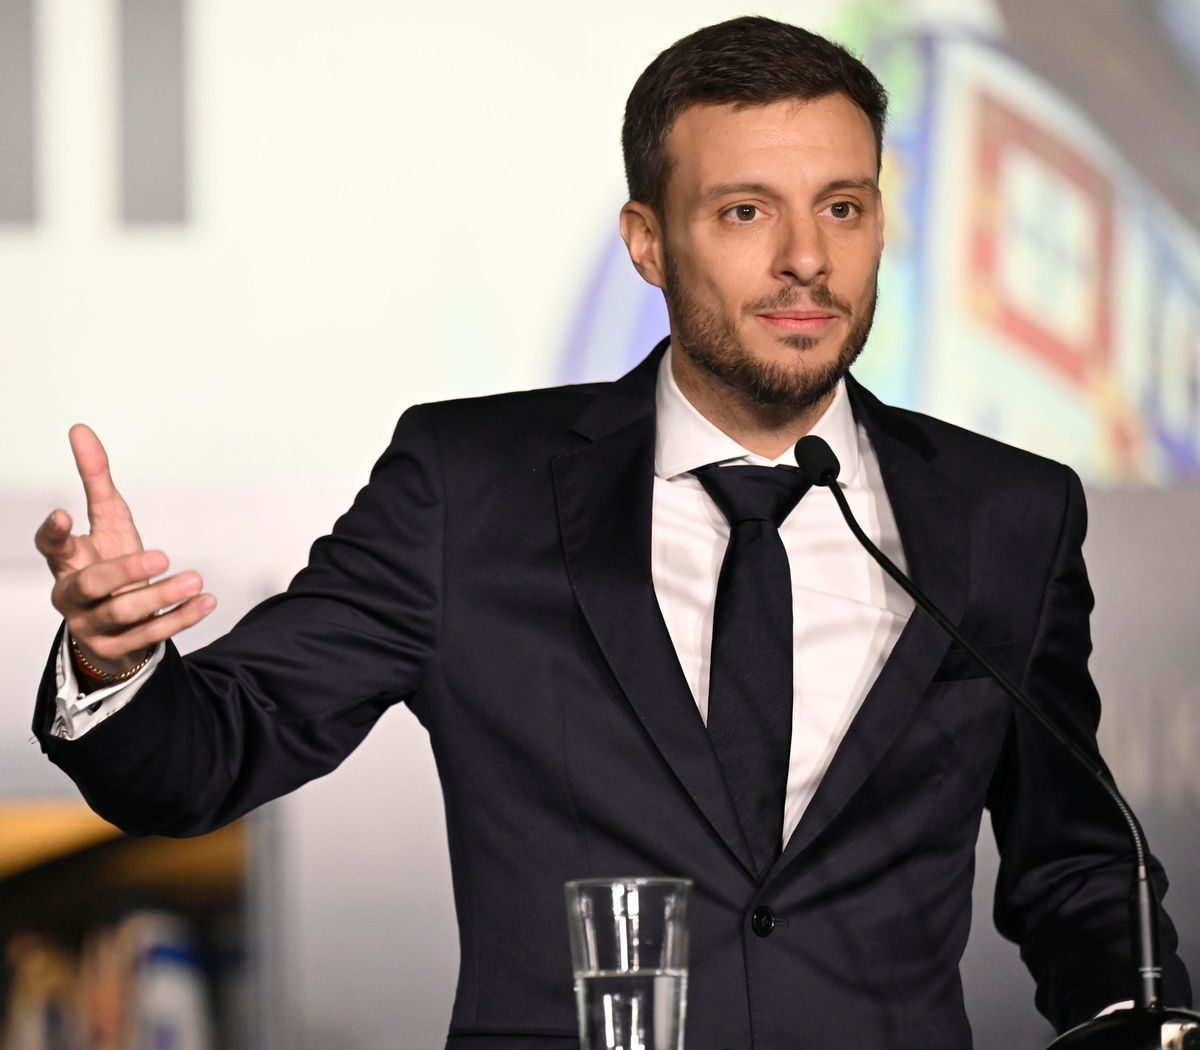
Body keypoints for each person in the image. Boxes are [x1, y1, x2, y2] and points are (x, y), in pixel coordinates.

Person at [31, 15, 1189, 1050]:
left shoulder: (1003, 514)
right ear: (647, 242)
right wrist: (115, 667)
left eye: (842, 207)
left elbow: (1080, 867)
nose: (806, 259)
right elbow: (208, 758)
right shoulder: (469, 491)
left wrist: (1135, 1015)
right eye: (746, 212)